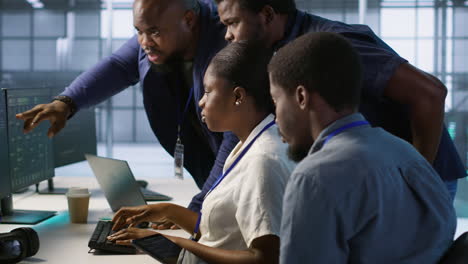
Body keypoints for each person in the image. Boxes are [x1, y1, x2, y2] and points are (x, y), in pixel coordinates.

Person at [214, 0, 467, 199]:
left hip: (415, 179)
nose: (227, 35)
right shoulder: (282, 50)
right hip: (373, 176)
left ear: (267, 15)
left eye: (233, 22)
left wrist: (414, 178)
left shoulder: (333, 44)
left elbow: (431, 94)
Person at [14, 0, 238, 217]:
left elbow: (235, 136)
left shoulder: (229, 41)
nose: (144, 42)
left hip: (237, 170)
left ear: (188, 20)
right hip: (207, 168)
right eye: (138, 31)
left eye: (154, 32)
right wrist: (66, 103)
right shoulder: (155, 35)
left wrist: (198, 208)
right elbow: (118, 66)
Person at [269, 31, 457, 263]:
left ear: (301, 97)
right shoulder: (407, 154)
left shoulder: (314, 177)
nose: (275, 117)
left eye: (276, 100)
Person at [107, 41, 295, 264]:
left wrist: (172, 242)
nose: (201, 102)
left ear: (238, 97)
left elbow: (264, 258)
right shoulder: (250, 142)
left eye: (208, 91)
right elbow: (222, 231)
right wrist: (167, 210)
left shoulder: (263, 160)